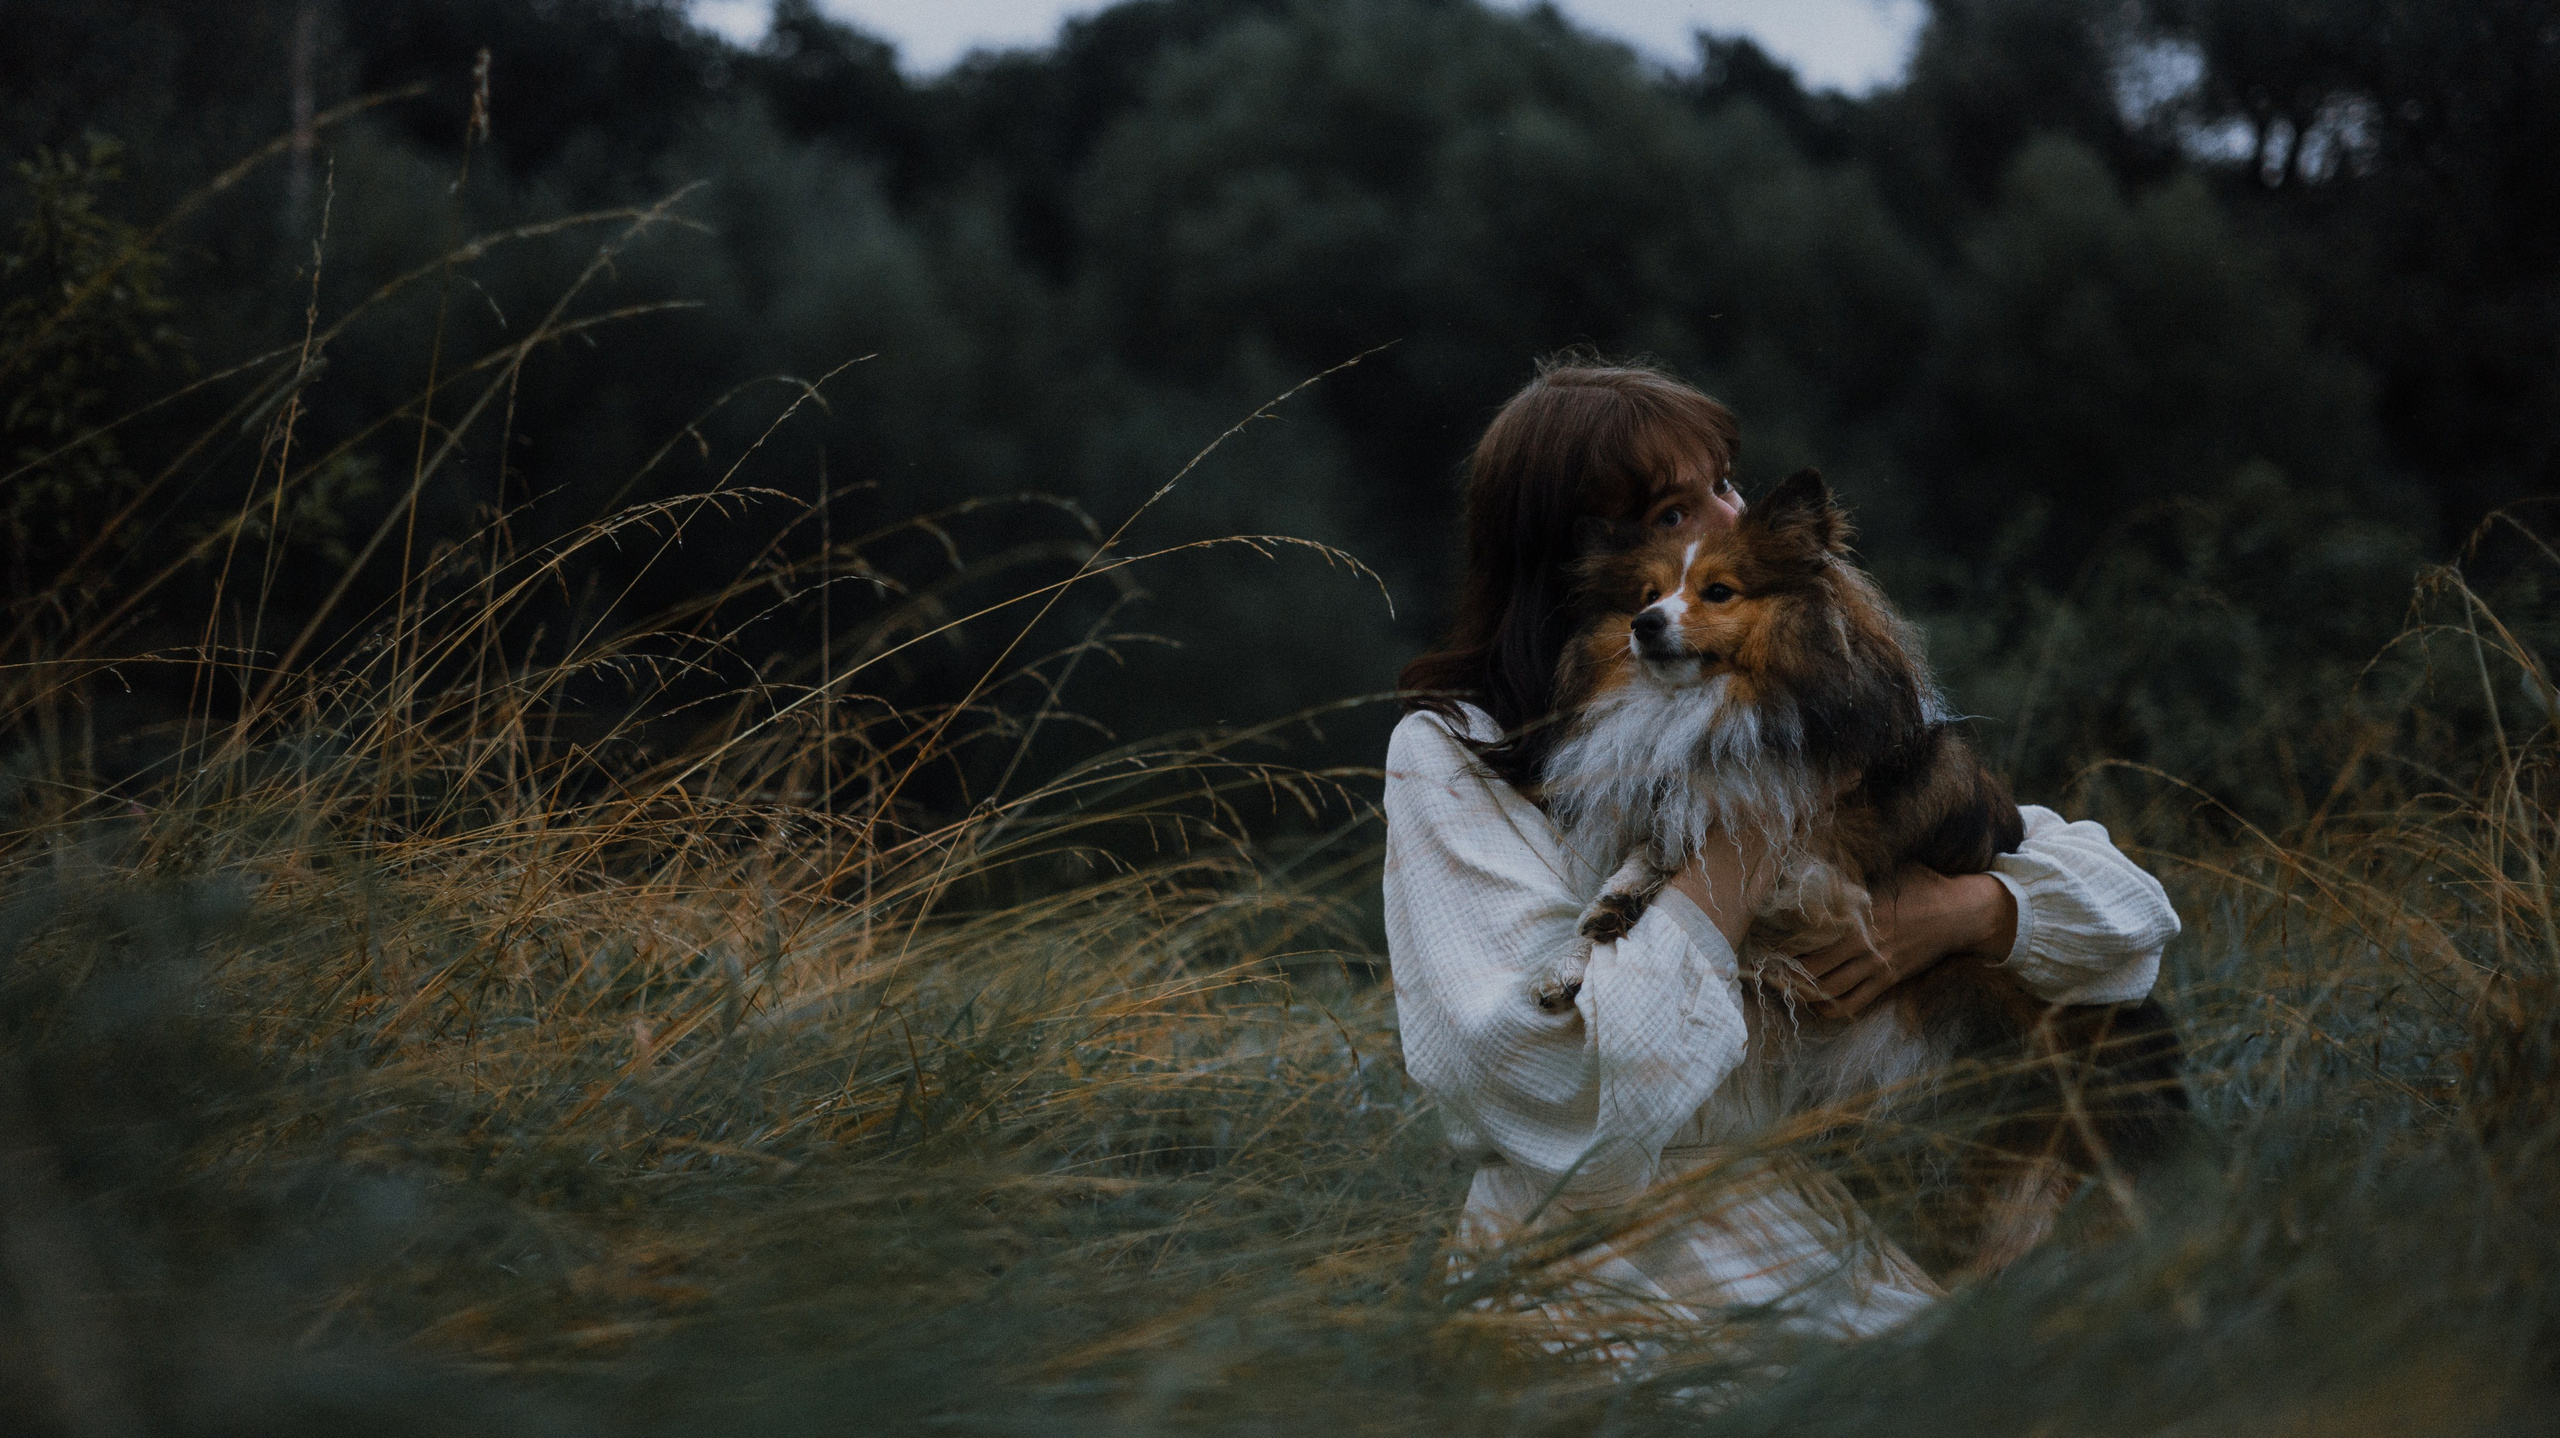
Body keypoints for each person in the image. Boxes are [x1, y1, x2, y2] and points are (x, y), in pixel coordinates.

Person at [1385, 356, 2179, 1346]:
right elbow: (1551, 1088)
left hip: (1837, 1203)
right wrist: (1754, 827)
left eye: (1726, 481)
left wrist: (1961, 914)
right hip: (1610, 1243)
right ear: (1574, 560)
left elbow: (2132, 915)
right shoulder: (1448, 750)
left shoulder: (1810, 686)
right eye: (1677, 512)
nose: (1730, 519)